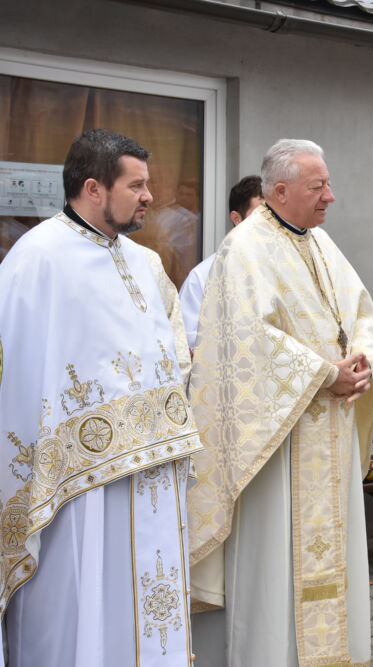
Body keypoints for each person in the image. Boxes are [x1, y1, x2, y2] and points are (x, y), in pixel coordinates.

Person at [0, 129, 202, 665]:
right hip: (76, 487)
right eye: (136, 185)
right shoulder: (36, 260)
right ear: (93, 188)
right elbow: (16, 370)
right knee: (81, 605)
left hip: (153, 477)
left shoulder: (144, 261)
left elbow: (175, 351)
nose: (149, 197)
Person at [186, 139, 373, 666]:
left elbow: (362, 313)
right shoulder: (245, 248)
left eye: (327, 184)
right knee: (278, 561)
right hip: (280, 442)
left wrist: (360, 362)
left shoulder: (320, 244)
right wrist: (323, 375)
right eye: (318, 187)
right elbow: (246, 342)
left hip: (330, 432)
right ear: (280, 191)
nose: (330, 197)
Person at [178, 174, 263, 349]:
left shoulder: (287, 267)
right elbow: (188, 340)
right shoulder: (202, 277)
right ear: (236, 218)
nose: (268, 224)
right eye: (260, 215)